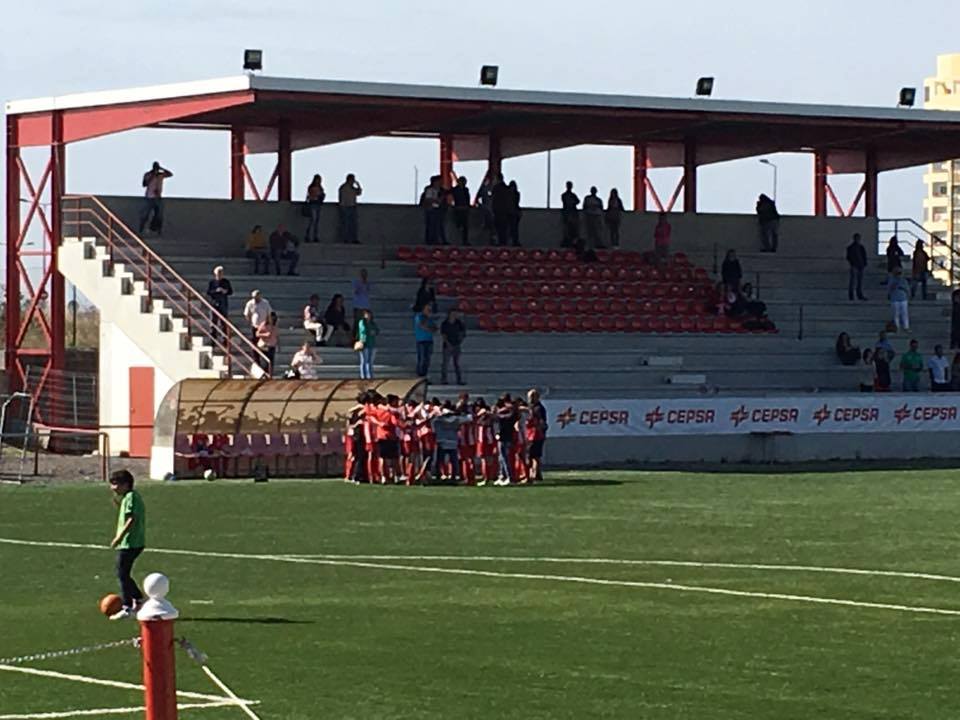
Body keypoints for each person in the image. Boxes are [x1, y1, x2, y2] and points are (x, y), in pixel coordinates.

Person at [108, 469, 146, 620]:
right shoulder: (130, 497)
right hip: (133, 542)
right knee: (123, 573)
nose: (112, 488)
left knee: (122, 573)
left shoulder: (131, 497)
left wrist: (119, 537)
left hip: (130, 542)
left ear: (125, 484)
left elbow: (131, 519)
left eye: (115, 484)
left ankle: (127, 607)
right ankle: (138, 598)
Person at [138, 161, 173, 235]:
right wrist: (152, 176)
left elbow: (170, 174)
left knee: (159, 215)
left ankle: (156, 229)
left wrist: (162, 169)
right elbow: (144, 184)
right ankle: (141, 229)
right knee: (145, 215)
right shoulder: (148, 174)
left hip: (158, 197)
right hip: (149, 197)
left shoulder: (160, 175)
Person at [493, 394, 519, 485]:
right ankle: (502, 476)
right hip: (504, 435)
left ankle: (509, 477)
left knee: (505, 457)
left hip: (506, 435)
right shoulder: (509, 411)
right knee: (501, 457)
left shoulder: (510, 412)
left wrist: (499, 412)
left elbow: (503, 417)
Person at [525, 389, 548, 483]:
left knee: (533, 455)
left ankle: (533, 474)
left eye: (531, 397)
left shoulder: (538, 408)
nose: (529, 399)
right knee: (533, 455)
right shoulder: (533, 407)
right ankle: (537, 474)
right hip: (532, 434)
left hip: (535, 435)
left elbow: (541, 422)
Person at [205, 265, 233, 342]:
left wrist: (225, 291)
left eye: (221, 273)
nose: (220, 274)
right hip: (214, 303)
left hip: (223, 303)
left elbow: (230, 292)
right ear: (215, 273)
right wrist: (216, 291)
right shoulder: (212, 282)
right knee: (213, 322)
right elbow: (208, 292)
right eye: (218, 273)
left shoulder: (226, 282)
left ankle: (225, 340)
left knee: (224, 323)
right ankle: (213, 340)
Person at [441, 309, 467, 385]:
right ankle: (444, 379)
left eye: (455, 314)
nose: (454, 315)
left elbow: (463, 332)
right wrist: (448, 344)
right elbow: (443, 335)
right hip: (447, 345)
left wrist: (460, 340)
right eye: (452, 314)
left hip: (456, 345)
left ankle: (459, 379)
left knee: (457, 363)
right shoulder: (445, 324)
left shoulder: (459, 323)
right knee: (445, 363)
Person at [420, 175, 446, 246]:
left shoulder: (441, 191)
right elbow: (428, 200)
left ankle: (438, 240)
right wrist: (436, 200)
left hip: (439, 209)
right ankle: (430, 240)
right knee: (431, 225)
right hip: (431, 209)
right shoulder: (430, 190)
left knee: (438, 225)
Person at [414, 304, 437, 377]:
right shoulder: (419, 316)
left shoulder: (430, 319)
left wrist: (430, 328)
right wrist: (429, 328)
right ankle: (419, 375)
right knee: (422, 359)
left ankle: (424, 375)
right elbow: (422, 326)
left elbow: (435, 328)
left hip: (429, 340)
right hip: (421, 341)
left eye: (430, 310)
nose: (429, 311)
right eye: (428, 309)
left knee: (427, 360)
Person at [338, 173, 362, 244]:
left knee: (353, 225)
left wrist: (358, 185)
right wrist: (342, 207)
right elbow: (341, 198)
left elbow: (359, 193)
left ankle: (353, 239)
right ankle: (345, 239)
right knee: (346, 224)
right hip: (346, 207)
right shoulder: (343, 187)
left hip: (352, 207)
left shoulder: (353, 188)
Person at [491, 174, 513, 247]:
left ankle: (500, 242)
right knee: (504, 228)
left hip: (498, 211)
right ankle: (504, 242)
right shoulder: (506, 188)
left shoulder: (496, 188)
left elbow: (494, 200)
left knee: (499, 227)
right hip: (505, 211)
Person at [887, 266, 911, 332]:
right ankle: (897, 327)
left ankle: (906, 327)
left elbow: (907, 289)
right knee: (896, 314)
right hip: (895, 299)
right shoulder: (892, 280)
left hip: (903, 299)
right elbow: (889, 289)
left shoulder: (904, 280)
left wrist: (908, 295)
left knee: (904, 314)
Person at [356, 309, 378, 379]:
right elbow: (363, 330)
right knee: (364, 361)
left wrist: (374, 332)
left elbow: (377, 330)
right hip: (364, 343)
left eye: (369, 314)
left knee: (370, 362)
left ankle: (370, 375)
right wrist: (369, 332)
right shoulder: (362, 322)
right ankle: (363, 376)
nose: (368, 316)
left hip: (372, 343)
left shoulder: (373, 323)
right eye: (366, 314)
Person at [846, 233, 868, 301]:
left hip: (860, 266)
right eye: (857, 238)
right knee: (853, 281)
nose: (858, 239)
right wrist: (853, 263)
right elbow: (848, 257)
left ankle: (859, 295)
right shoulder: (850, 247)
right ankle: (852, 295)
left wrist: (864, 264)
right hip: (855, 266)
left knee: (859, 282)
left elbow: (864, 256)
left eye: (858, 238)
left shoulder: (861, 247)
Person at [582, 186, 604, 252]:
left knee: (597, 231)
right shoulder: (587, 198)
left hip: (596, 217)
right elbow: (584, 207)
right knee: (589, 232)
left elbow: (601, 208)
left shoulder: (598, 200)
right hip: (589, 216)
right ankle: (589, 245)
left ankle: (597, 244)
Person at [304, 174, 325, 243]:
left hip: (317, 205)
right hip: (313, 204)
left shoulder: (320, 188)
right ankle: (309, 236)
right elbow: (312, 196)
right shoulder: (312, 187)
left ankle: (314, 236)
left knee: (315, 222)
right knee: (313, 221)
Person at [474, 175, 495, 243]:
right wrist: (481, 205)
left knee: (492, 225)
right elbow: (477, 198)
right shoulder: (483, 189)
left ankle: (492, 238)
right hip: (486, 209)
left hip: (491, 209)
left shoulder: (493, 188)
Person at [451, 176, 471, 246]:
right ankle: (458, 241)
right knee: (458, 225)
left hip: (464, 208)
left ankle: (464, 241)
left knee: (465, 226)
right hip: (458, 208)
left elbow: (467, 199)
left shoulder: (465, 190)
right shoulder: (455, 190)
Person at [560, 181, 580, 248]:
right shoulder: (564, 195)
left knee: (573, 229)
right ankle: (567, 242)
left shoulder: (572, 195)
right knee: (567, 229)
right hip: (567, 213)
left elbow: (578, 201)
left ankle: (573, 242)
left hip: (573, 213)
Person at [352, 268, 372, 333]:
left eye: (365, 274)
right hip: (358, 307)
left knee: (366, 322)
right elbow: (356, 291)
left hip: (366, 307)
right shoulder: (356, 282)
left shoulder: (368, 283)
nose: (364, 275)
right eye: (363, 274)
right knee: (357, 322)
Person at [507, 180, 522, 246]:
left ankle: (514, 241)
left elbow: (516, 203)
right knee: (511, 228)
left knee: (514, 228)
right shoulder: (515, 194)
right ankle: (513, 241)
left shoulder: (515, 194)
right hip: (511, 213)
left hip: (514, 213)